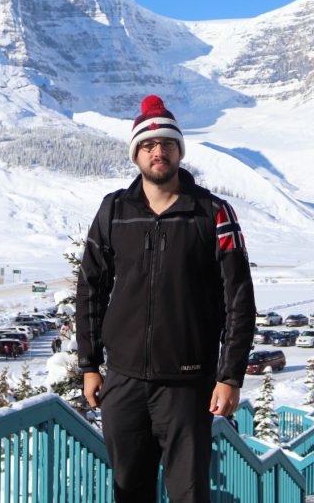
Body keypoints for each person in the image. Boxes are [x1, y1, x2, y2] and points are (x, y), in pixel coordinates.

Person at [76, 94, 256, 503]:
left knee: (189, 495)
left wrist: (229, 376)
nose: (159, 151)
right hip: (123, 382)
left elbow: (239, 300)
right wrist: (89, 364)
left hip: (187, 385)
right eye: (148, 145)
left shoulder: (213, 213)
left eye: (167, 144)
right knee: (129, 492)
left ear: (179, 151)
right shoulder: (114, 211)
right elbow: (91, 288)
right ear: (136, 154)